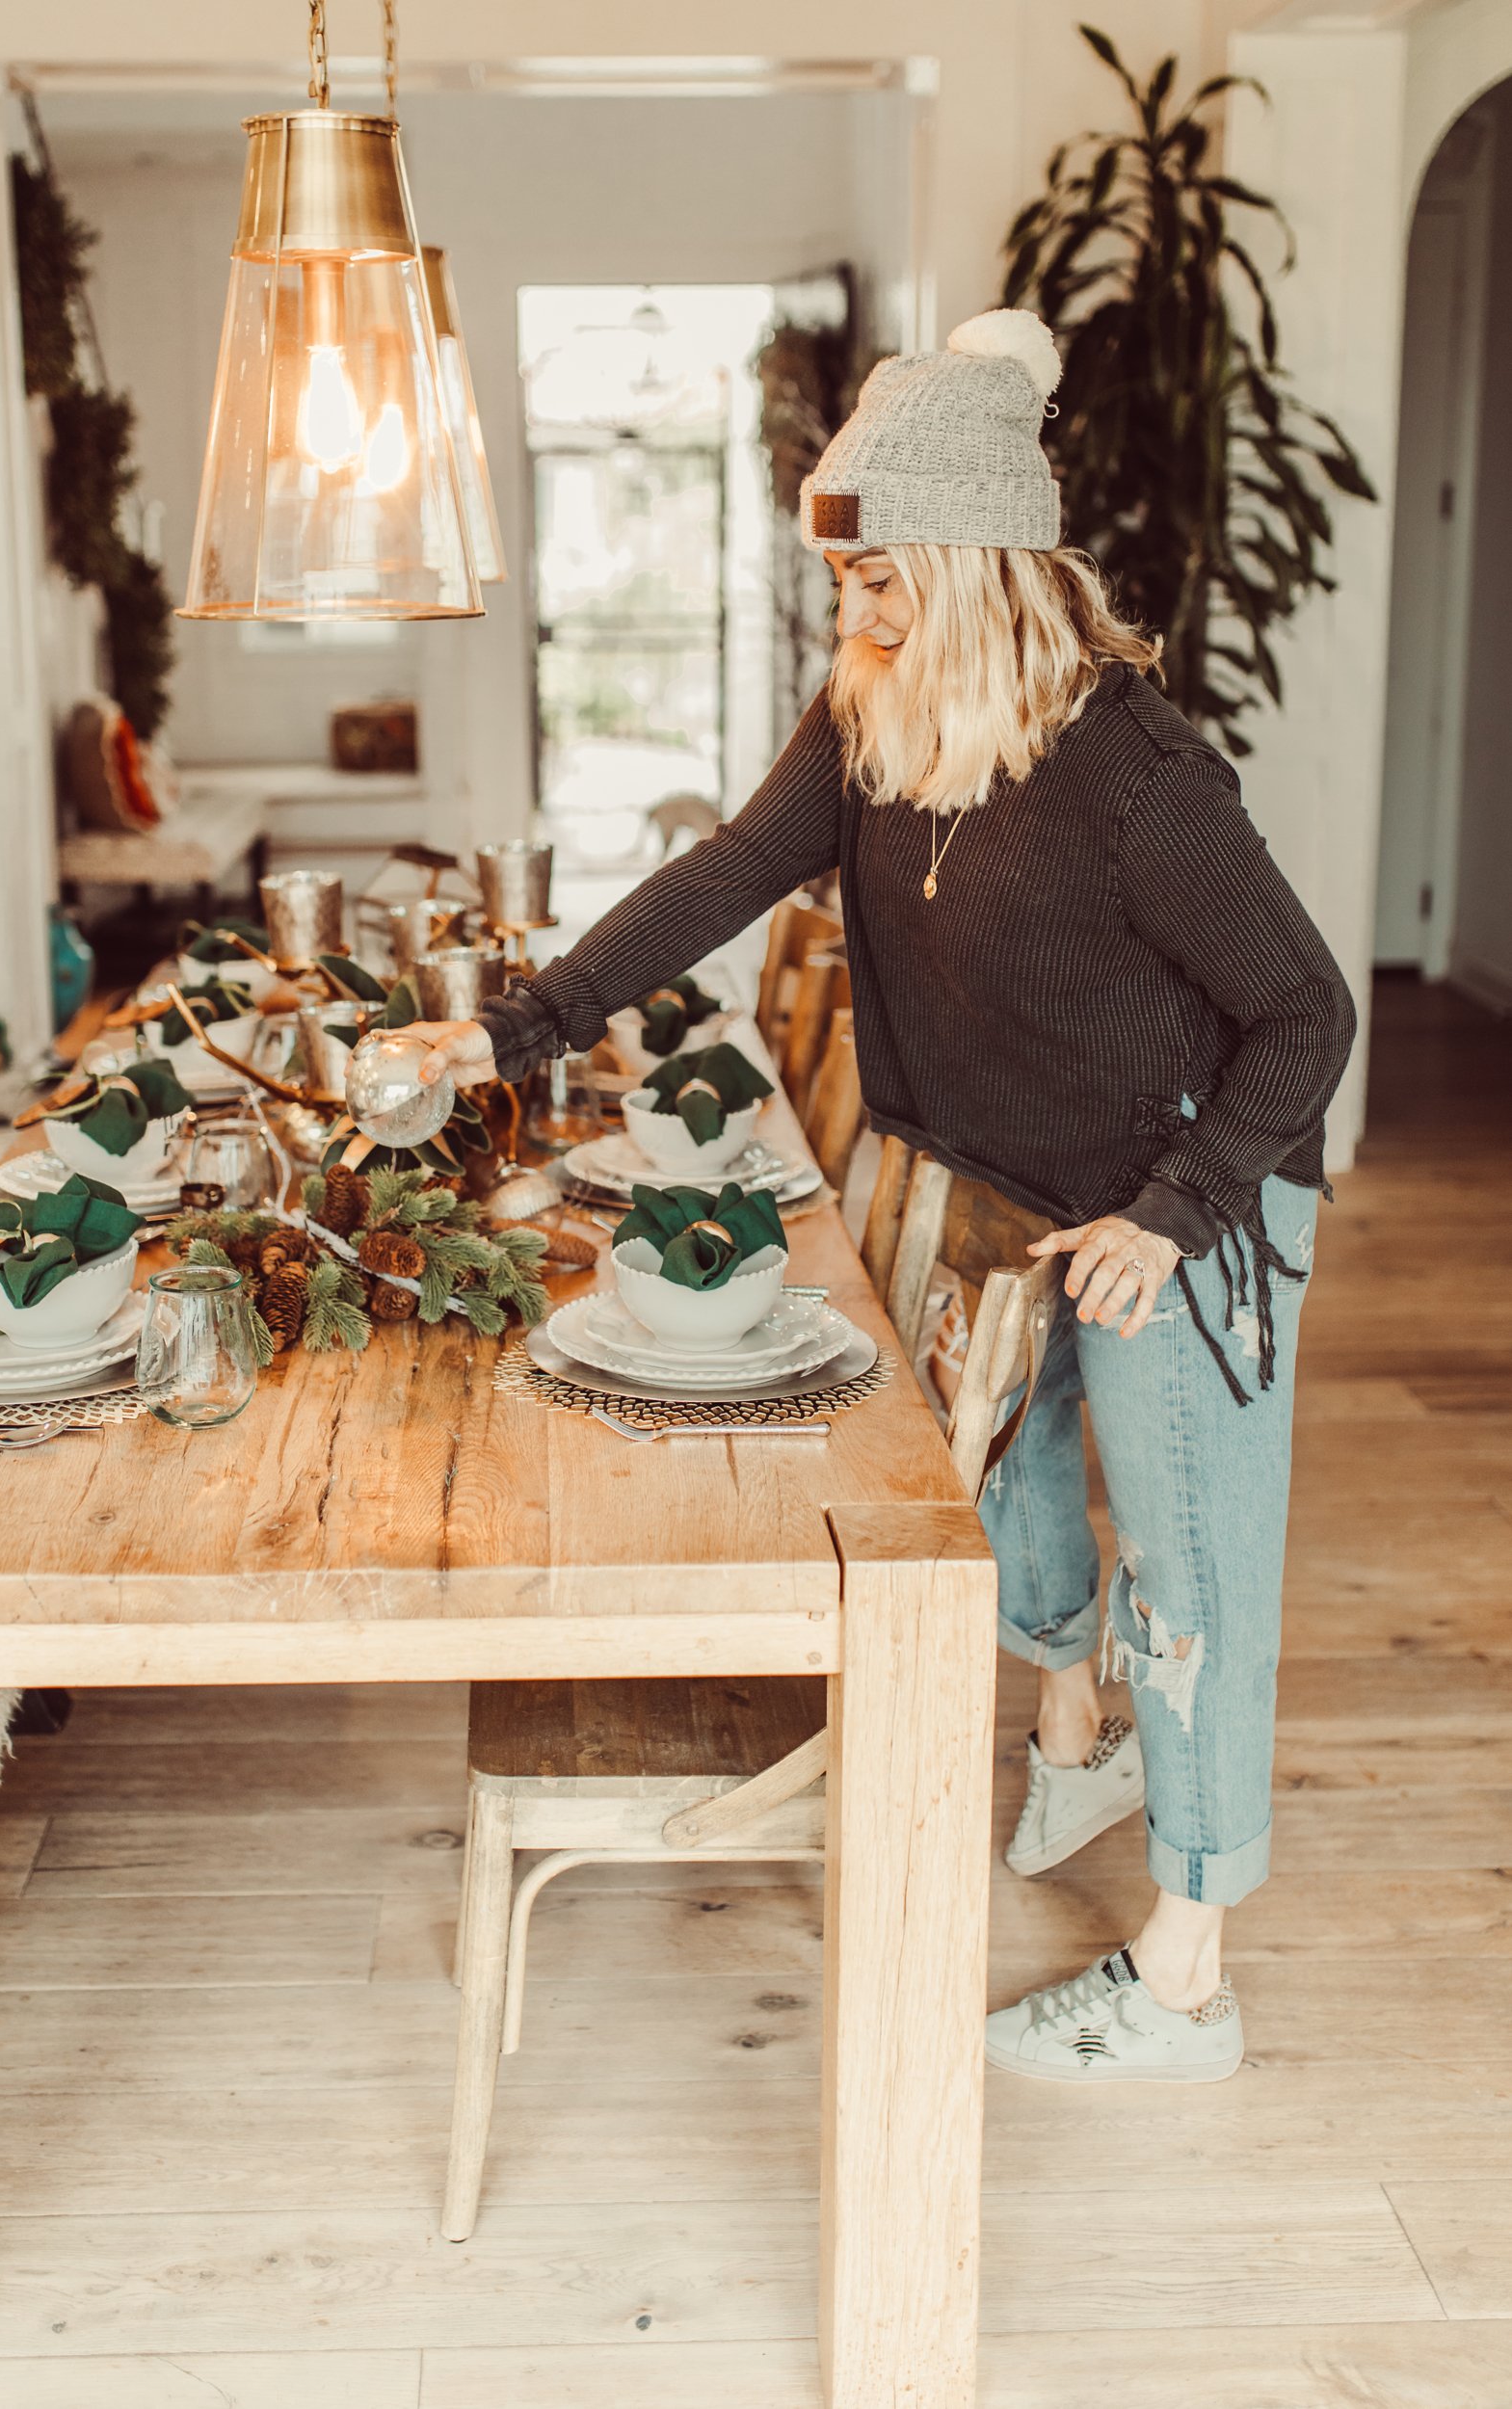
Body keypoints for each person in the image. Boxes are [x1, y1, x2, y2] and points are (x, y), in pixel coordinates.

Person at [411, 309, 1357, 2085]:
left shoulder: (1142, 781)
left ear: (988, 569)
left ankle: (1185, 1979)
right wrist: (517, 1028)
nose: (851, 618)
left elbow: (1309, 1010)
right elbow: (724, 876)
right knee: (1014, 1515)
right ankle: (1078, 1733)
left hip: (1179, 1212)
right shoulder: (871, 720)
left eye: (886, 585)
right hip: (1003, 1194)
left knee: (1192, 1575)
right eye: (845, 584)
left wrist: (1184, 1203)